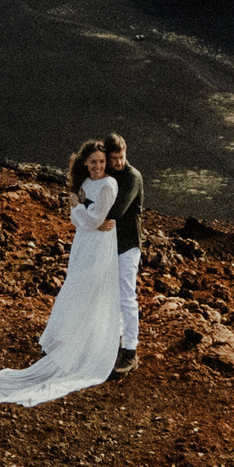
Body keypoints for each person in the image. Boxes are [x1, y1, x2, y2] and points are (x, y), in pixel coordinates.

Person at [0, 140, 124, 407]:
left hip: (100, 246)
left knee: (90, 291)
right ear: (85, 163)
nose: (98, 166)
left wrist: (79, 208)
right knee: (74, 289)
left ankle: (88, 348)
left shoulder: (109, 185)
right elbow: (80, 221)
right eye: (93, 162)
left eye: (101, 161)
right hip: (84, 242)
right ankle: (69, 343)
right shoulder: (85, 183)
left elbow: (91, 219)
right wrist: (84, 216)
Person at [104, 132, 144, 373]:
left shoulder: (132, 177)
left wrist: (85, 206)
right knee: (113, 295)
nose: (119, 162)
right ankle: (117, 342)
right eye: (114, 158)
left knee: (127, 297)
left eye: (121, 156)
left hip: (128, 245)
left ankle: (131, 350)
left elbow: (117, 210)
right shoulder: (110, 175)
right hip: (111, 245)